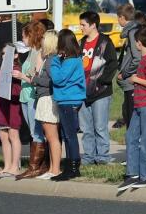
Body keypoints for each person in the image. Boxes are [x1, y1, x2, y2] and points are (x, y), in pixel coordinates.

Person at [121, 26, 146, 191]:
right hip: (139, 102)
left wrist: (136, 79)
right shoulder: (145, 58)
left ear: (139, 43)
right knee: (131, 136)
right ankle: (133, 173)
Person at [77, 10, 118, 167]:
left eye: (83, 25)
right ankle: (88, 156)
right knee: (86, 128)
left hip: (101, 92)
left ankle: (102, 157)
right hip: (82, 91)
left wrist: (103, 80)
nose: (81, 28)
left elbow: (113, 63)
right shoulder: (80, 43)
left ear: (93, 25)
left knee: (100, 127)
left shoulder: (105, 42)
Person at [50, 29, 86, 181]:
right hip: (67, 99)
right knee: (67, 135)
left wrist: (55, 61)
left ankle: (72, 168)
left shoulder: (70, 61)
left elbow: (58, 79)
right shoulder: (73, 60)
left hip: (68, 100)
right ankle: (71, 166)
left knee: (69, 135)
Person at [16, 21, 48, 180]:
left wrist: (21, 76)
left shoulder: (39, 52)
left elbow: (37, 77)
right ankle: (38, 165)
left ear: (31, 35)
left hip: (33, 96)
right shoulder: (31, 51)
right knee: (33, 132)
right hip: (25, 95)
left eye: (24, 36)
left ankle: (35, 166)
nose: (23, 39)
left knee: (37, 132)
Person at [0, 37, 25, 178]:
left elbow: (17, 91)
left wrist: (4, 86)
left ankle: (14, 166)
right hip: (1, 106)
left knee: (13, 135)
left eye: (8, 54)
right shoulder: (2, 69)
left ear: (16, 55)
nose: (4, 56)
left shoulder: (16, 69)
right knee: (3, 136)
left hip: (12, 107)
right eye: (3, 53)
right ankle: (7, 165)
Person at [31, 31, 62, 179]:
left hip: (48, 99)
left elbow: (53, 81)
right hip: (45, 98)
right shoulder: (49, 58)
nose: (41, 40)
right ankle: (52, 168)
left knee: (52, 136)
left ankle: (55, 169)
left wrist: (35, 79)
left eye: (43, 38)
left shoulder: (51, 60)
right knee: (50, 136)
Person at [116, 5, 141, 131]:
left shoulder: (132, 32)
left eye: (118, 18)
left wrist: (125, 73)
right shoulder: (134, 30)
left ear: (122, 17)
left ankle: (133, 146)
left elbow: (137, 58)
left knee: (131, 116)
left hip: (132, 81)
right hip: (130, 81)